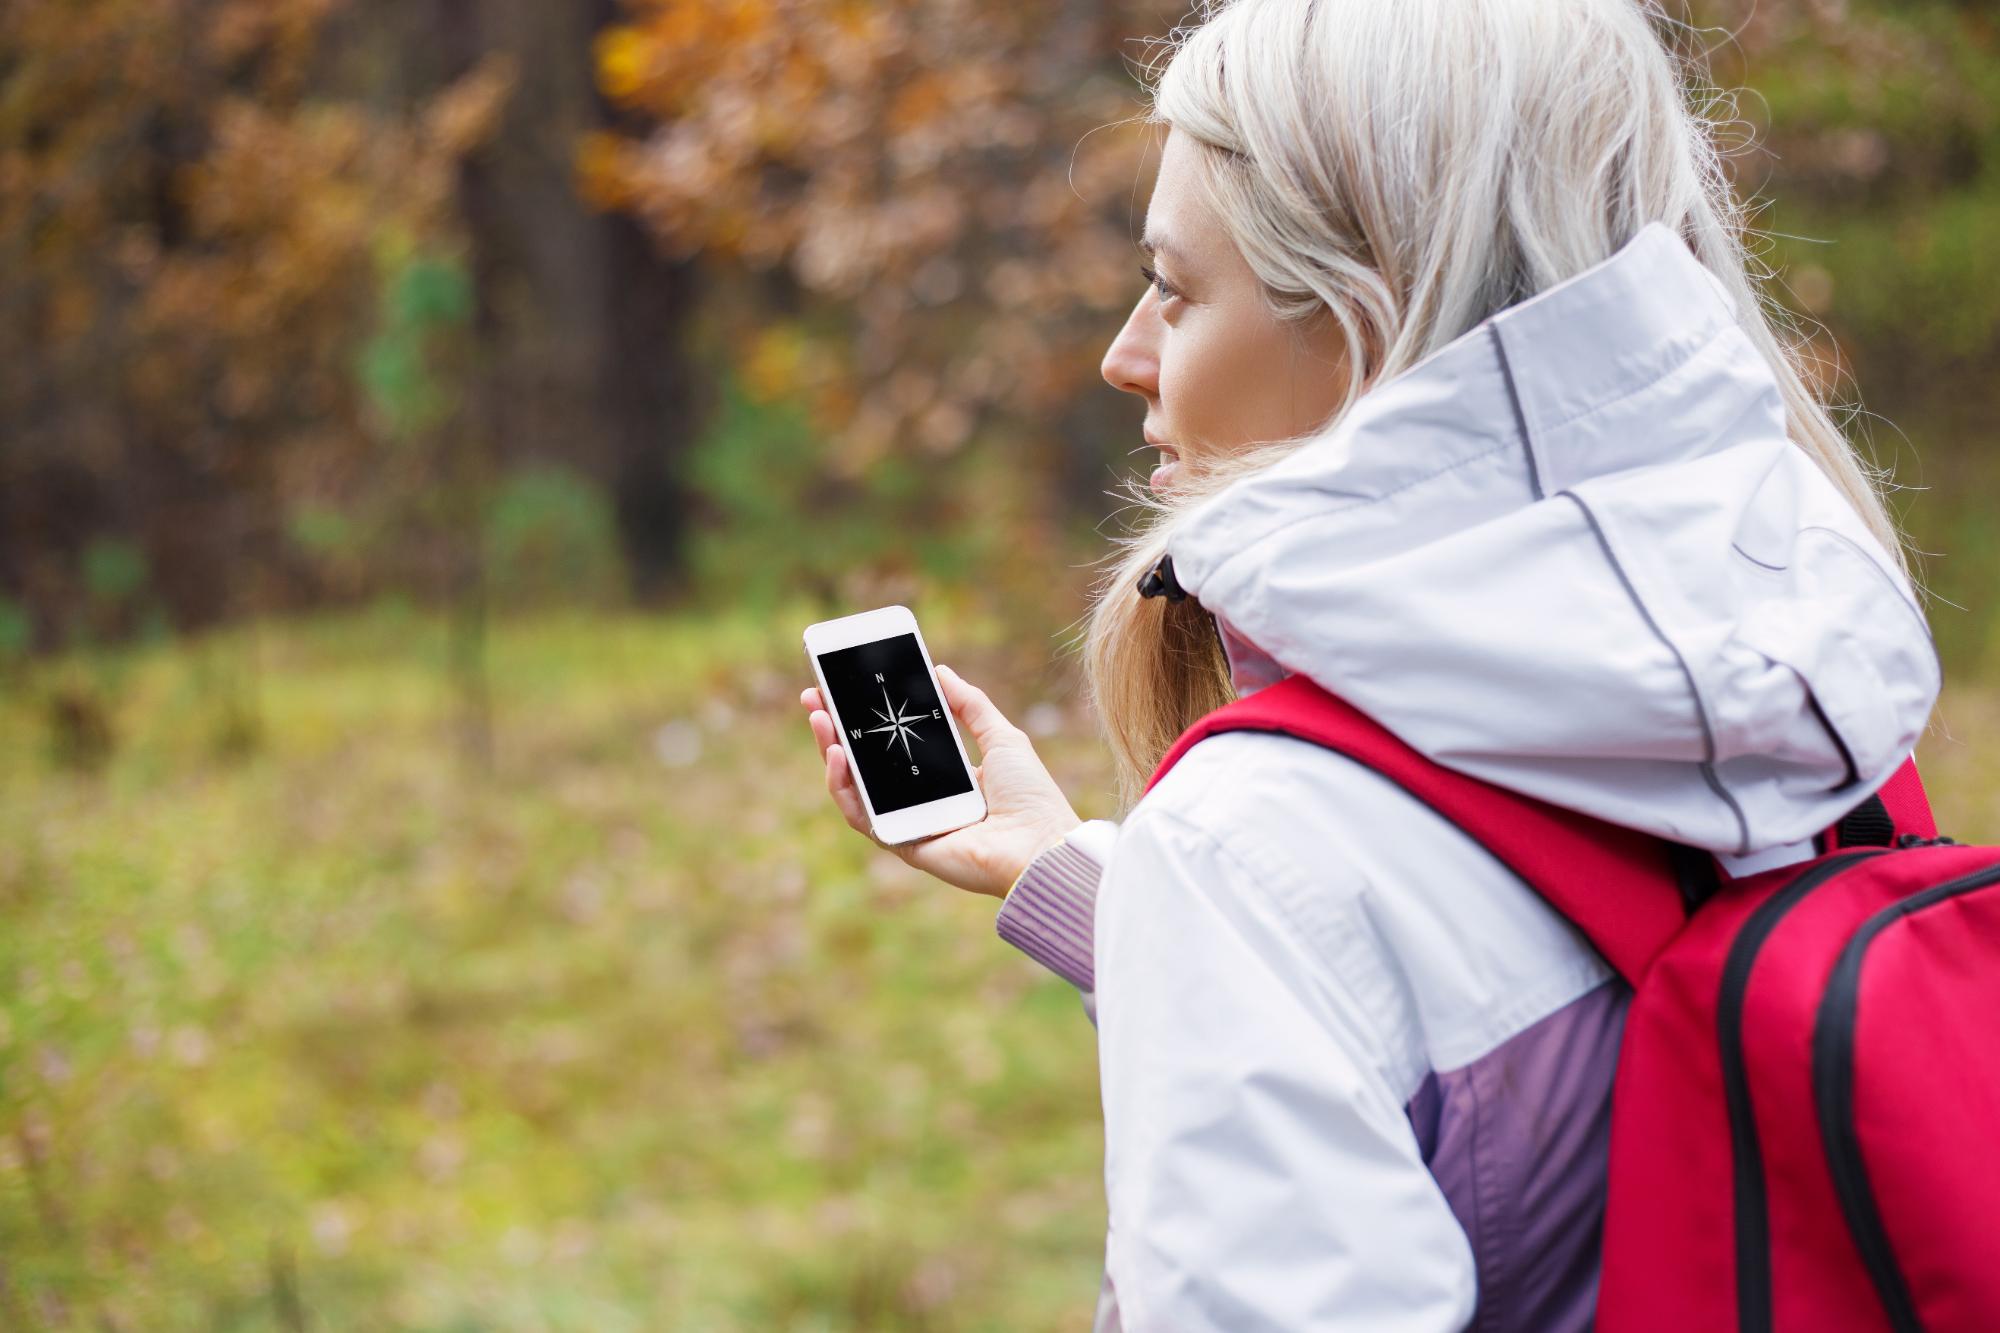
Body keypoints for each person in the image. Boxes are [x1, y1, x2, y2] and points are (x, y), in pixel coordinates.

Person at [799, 0, 1942, 1327]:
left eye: (1175, 286)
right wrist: (1078, 874)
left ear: (1362, 324)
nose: (1128, 353)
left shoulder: (1250, 851)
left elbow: (1382, 961)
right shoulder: (1790, 676)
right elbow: (1517, 1029)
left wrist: (1202, 898)